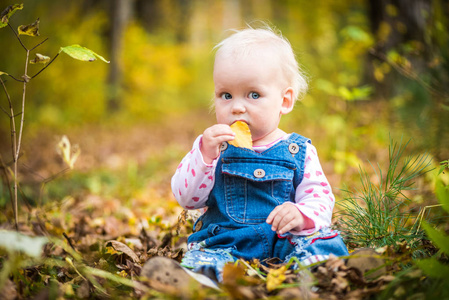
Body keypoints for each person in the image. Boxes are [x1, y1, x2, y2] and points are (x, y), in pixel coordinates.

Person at [143, 25, 348, 287]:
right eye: (225, 95)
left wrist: (302, 213)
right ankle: (197, 283)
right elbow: (187, 198)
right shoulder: (213, 148)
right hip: (228, 242)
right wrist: (204, 156)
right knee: (207, 258)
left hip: (283, 240)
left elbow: (320, 197)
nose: (237, 107)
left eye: (253, 95)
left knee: (318, 242)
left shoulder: (299, 150)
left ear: (284, 101)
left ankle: (317, 278)